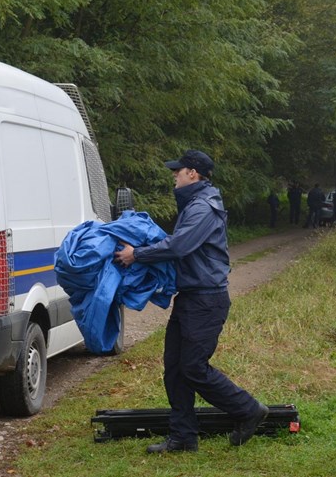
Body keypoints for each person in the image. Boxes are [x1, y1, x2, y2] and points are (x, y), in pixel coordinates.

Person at [113, 149, 268, 454]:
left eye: (178, 171)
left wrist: (137, 254)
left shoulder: (203, 207)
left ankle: (248, 410)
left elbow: (180, 245)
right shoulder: (195, 204)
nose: (175, 175)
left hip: (207, 300)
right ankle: (183, 437)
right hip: (191, 297)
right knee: (174, 368)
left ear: (193, 174)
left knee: (194, 367)